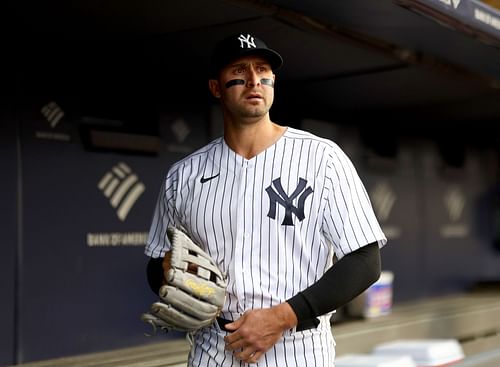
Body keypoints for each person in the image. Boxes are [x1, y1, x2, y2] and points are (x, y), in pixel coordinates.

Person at [145, 32, 387, 366]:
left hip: (298, 348)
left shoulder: (321, 158)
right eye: (239, 72)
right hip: (214, 347)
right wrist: (166, 273)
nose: (254, 80)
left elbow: (365, 261)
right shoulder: (183, 176)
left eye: (263, 71)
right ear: (216, 87)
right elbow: (157, 262)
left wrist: (283, 316)